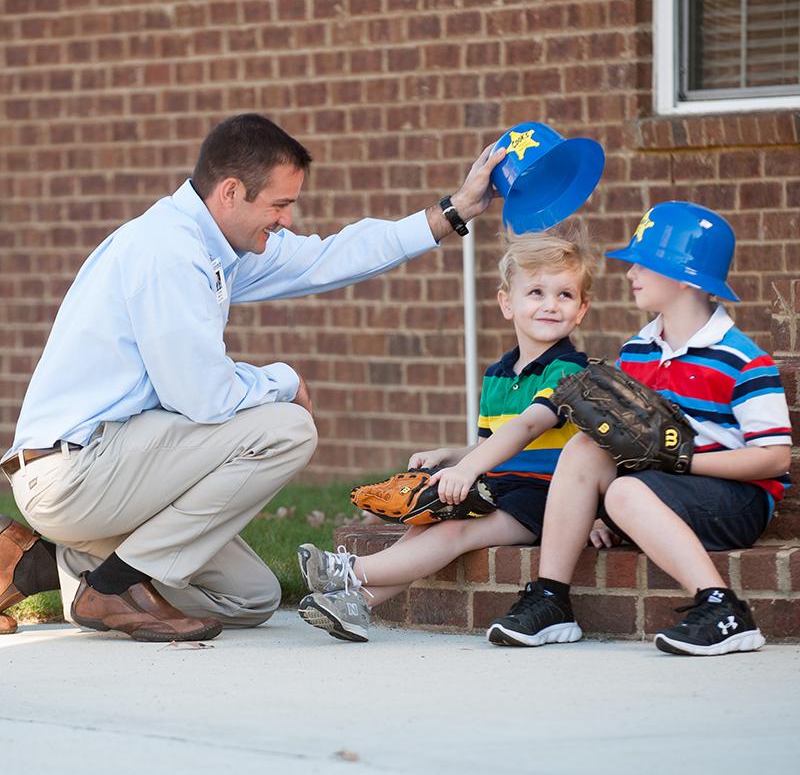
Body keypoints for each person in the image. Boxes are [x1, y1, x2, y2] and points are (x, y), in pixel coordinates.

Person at [0, 113, 506, 642]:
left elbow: (328, 258)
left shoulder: (217, 243)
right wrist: (283, 380)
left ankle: (42, 562)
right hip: (74, 469)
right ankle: (114, 588)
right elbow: (201, 397)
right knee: (286, 428)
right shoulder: (166, 252)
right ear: (231, 192)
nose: (288, 219)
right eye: (280, 204)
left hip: (113, 474)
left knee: (250, 598)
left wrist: (453, 212)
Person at [484, 201, 793, 656]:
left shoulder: (741, 358)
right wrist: (591, 510)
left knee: (625, 493)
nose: (630, 273)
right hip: (665, 487)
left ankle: (724, 610)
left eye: (644, 264)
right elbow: (626, 444)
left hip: (737, 501)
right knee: (586, 446)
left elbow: (774, 459)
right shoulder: (638, 350)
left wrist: (685, 461)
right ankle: (550, 599)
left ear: (687, 279)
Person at [296, 226, 599, 641]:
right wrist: (451, 456)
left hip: (543, 497)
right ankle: (358, 605)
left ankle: (346, 572)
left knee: (457, 532)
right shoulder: (498, 375)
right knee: (424, 522)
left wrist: (469, 468)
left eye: (564, 295)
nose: (550, 305)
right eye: (536, 293)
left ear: (581, 309)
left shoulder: (569, 371)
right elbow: (495, 442)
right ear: (506, 303)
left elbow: (530, 426)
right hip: (500, 485)